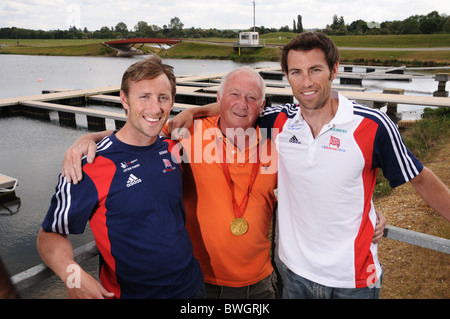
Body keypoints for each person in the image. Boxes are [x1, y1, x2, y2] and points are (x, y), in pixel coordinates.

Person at [163, 32, 449, 299]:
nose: (306, 82)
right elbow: (239, 109)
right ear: (287, 76)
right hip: (294, 275)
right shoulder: (280, 121)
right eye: (296, 72)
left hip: (354, 279)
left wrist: (372, 211)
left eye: (315, 69)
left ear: (334, 70)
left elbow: (421, 179)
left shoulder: (372, 125)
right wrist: (193, 110)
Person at [61, 66, 386, 299]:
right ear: (219, 97)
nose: (242, 104)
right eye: (233, 95)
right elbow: (137, 133)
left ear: (263, 105)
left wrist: (367, 211)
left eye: (251, 98)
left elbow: (321, 178)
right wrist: (90, 138)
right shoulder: (188, 134)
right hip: (199, 283)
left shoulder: (280, 139)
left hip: (261, 282)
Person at [36, 56, 204, 299]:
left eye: (163, 98)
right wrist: (73, 276)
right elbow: (49, 235)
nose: (155, 108)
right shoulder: (88, 166)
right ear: (124, 99)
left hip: (192, 287)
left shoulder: (172, 146)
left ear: (172, 102)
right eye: (144, 96)